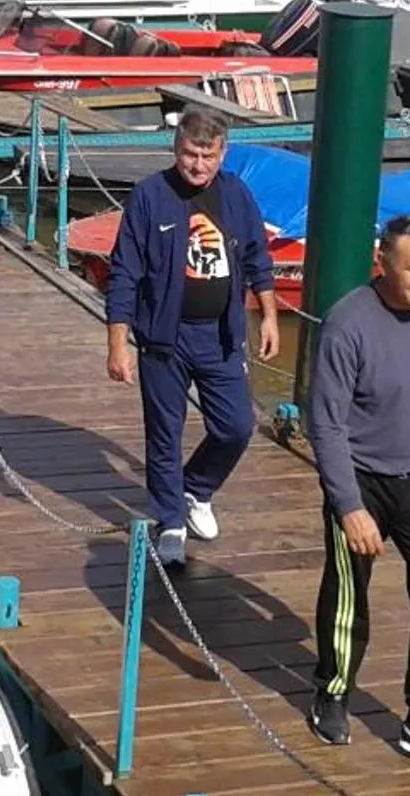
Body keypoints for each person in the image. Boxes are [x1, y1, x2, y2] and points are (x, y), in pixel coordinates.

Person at [306, 215, 410, 777]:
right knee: (350, 597)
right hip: (362, 479)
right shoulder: (347, 324)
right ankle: (333, 690)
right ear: (383, 263)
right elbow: (325, 424)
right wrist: (349, 506)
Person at [103, 111, 280, 568]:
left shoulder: (237, 194)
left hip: (220, 336)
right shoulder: (149, 196)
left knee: (237, 425)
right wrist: (117, 343)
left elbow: (258, 258)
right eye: (188, 154)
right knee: (165, 432)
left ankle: (196, 488)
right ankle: (172, 521)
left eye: (207, 156)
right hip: (164, 338)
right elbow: (124, 272)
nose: (197, 165)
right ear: (174, 149)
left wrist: (269, 317)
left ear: (222, 154)